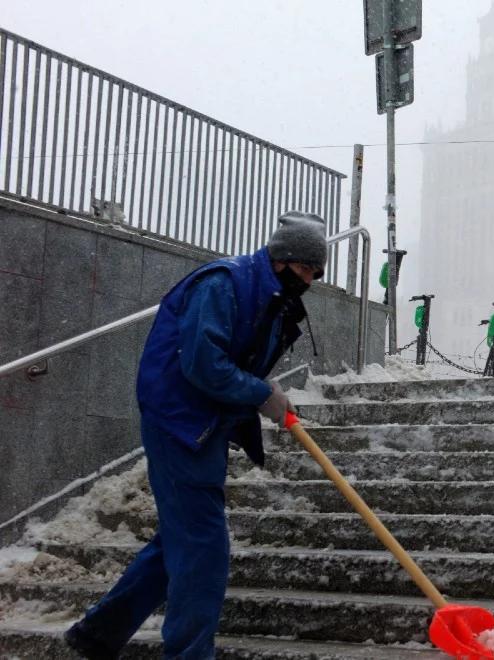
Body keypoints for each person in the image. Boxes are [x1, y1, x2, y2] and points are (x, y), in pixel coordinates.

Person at [64, 212, 327, 659]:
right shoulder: (224, 283)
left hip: (204, 424)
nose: (309, 280)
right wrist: (261, 392)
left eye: (316, 274)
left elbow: (238, 361)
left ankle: (97, 634)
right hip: (180, 423)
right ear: (283, 258)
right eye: (306, 269)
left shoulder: (268, 294)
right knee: (203, 548)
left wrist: (266, 393)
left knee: (180, 540)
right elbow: (203, 364)